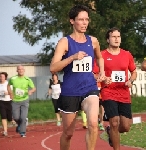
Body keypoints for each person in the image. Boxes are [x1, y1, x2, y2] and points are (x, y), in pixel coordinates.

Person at [50, 5, 105, 150]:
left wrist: (102, 72)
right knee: (68, 134)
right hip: (70, 91)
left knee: (93, 124)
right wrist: (72, 57)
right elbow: (53, 67)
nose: (85, 22)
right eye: (81, 19)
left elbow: (100, 58)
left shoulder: (93, 41)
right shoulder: (65, 42)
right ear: (72, 21)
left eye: (87, 19)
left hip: (90, 88)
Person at [100, 27, 137, 150]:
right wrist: (104, 78)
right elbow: (94, 73)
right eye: (113, 36)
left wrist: (131, 81)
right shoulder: (102, 55)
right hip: (108, 92)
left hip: (124, 93)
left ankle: (110, 131)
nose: (116, 39)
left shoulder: (127, 54)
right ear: (108, 39)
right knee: (114, 121)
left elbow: (134, 71)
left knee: (125, 126)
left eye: (118, 36)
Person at [7, 65, 36, 137]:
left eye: (22, 69)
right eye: (19, 69)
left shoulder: (27, 79)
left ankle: (22, 132)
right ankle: (19, 125)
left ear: (24, 70)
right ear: (17, 71)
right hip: (15, 101)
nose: (20, 70)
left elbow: (34, 88)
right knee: (16, 117)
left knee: (23, 117)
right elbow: (8, 86)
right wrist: (10, 93)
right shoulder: (13, 79)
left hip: (24, 100)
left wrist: (31, 91)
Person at [0, 72, 12, 136]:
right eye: (0, 76)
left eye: (3, 76)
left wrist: (7, 93)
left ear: (5, 77)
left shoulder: (8, 84)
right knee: (3, 116)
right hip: (0, 101)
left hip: (8, 101)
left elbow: (11, 93)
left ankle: (12, 119)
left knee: (9, 118)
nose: (1, 78)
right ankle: (5, 131)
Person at [92, 60, 105, 131]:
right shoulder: (92, 63)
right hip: (94, 88)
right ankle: (96, 121)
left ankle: (101, 123)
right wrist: (97, 77)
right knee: (95, 107)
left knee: (102, 107)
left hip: (102, 88)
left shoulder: (103, 62)